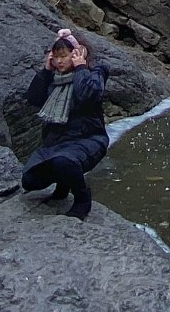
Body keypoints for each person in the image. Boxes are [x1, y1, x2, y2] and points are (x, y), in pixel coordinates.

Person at [20, 28, 107, 220]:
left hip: (88, 138)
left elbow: (87, 96)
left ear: (77, 54)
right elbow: (33, 99)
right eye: (56, 56)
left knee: (64, 161)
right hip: (55, 142)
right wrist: (45, 70)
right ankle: (63, 183)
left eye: (64, 56)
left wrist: (81, 68)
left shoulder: (95, 73)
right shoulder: (53, 79)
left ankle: (82, 198)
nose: (59, 61)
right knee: (30, 180)